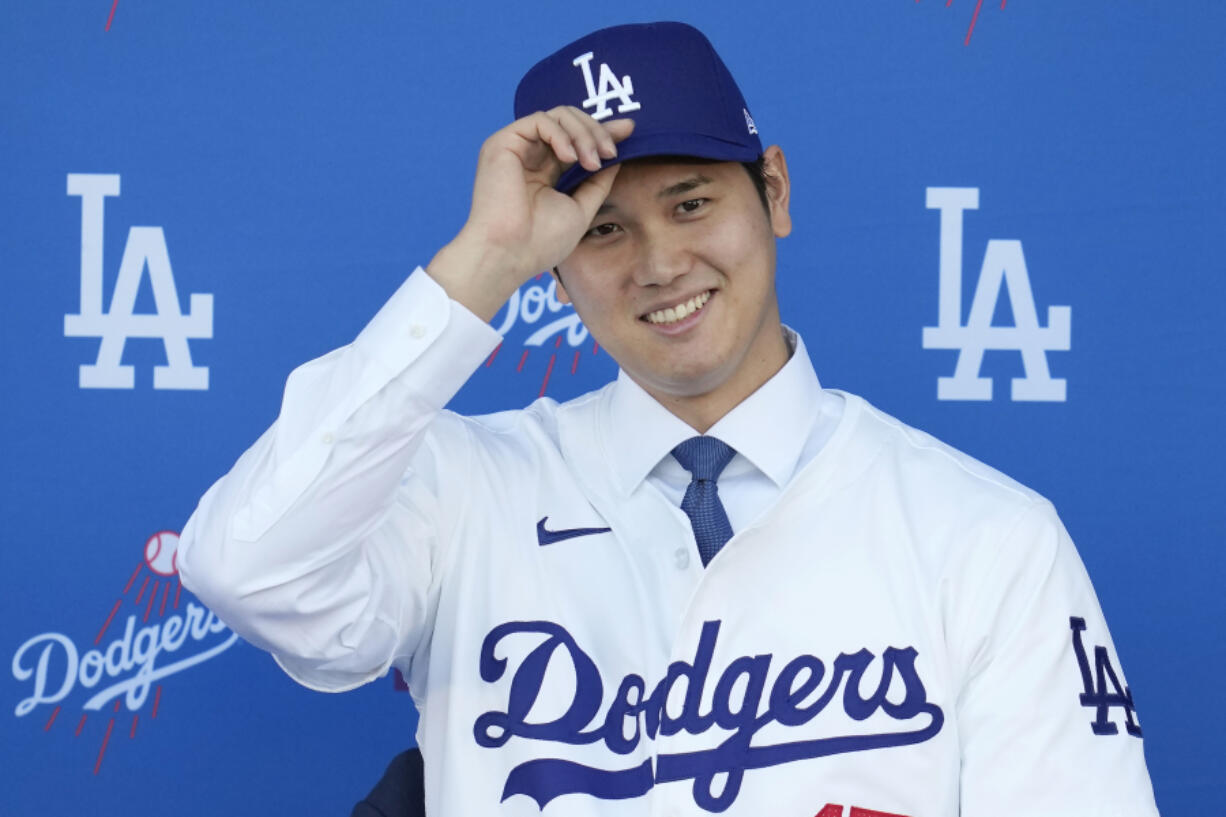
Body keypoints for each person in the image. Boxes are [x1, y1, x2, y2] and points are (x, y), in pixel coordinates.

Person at [179, 21, 1160, 817]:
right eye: (602, 229)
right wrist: (482, 258)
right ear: (553, 273)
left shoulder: (984, 535)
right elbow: (246, 564)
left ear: (770, 190)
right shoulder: (460, 487)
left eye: (691, 204)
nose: (656, 263)